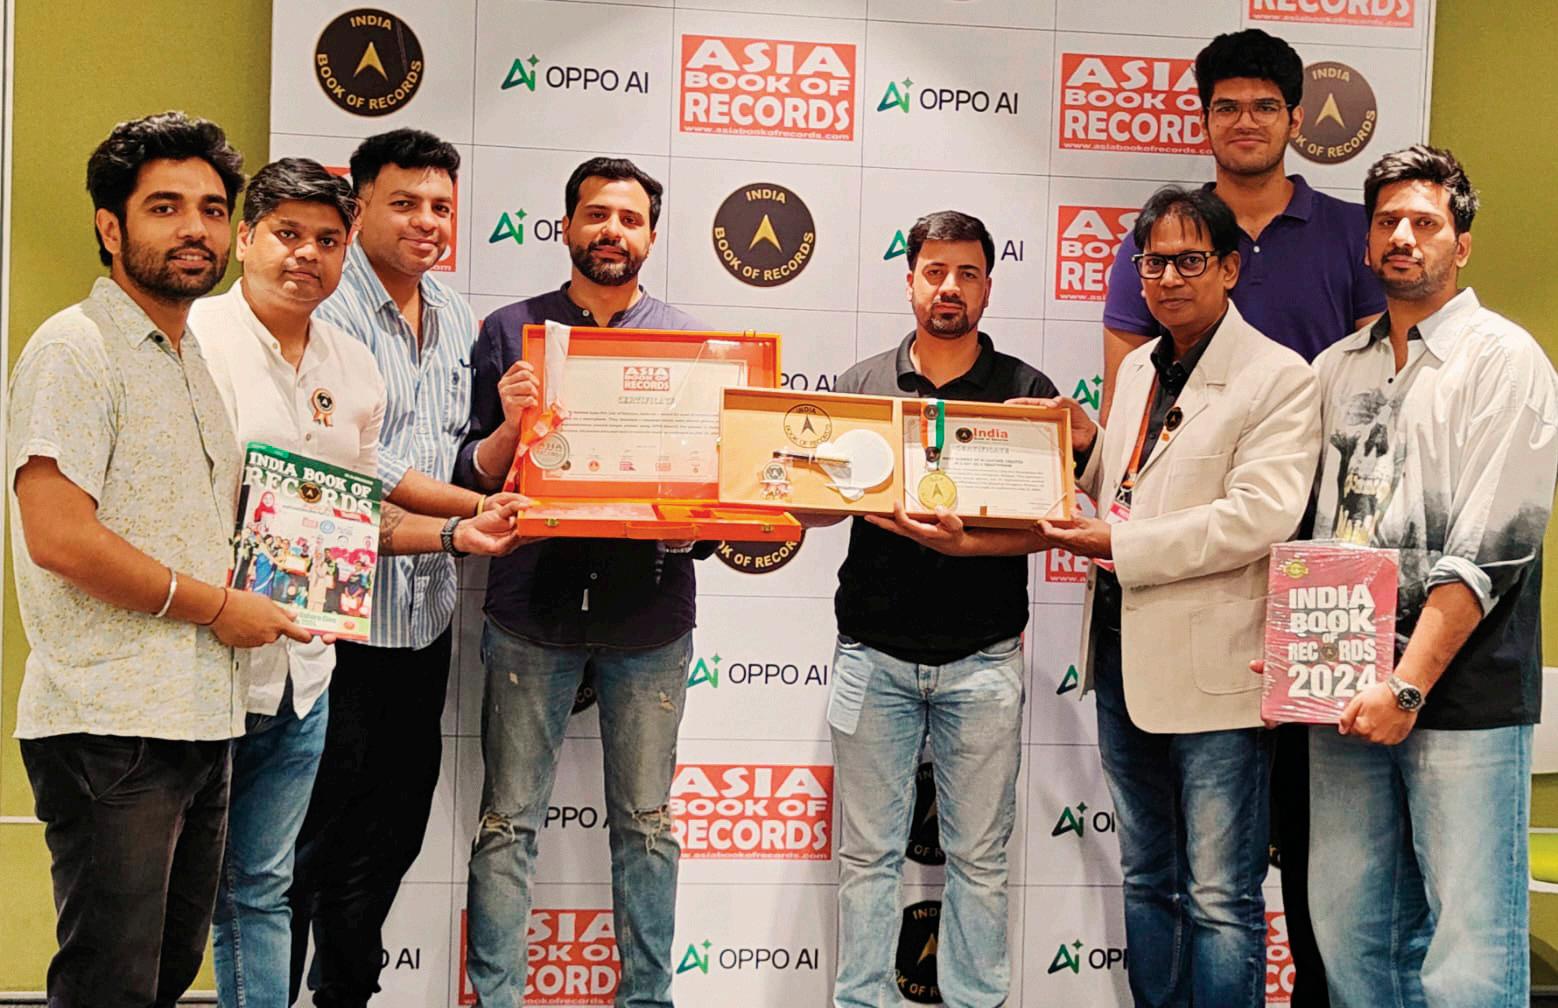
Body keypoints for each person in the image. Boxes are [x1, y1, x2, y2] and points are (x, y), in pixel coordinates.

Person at [881, 190, 1320, 1006]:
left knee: (1220, 897)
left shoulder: (1280, 377)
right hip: (1122, 662)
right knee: (1147, 875)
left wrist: (1117, 545)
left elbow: (1259, 517)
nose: (1169, 279)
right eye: (1154, 262)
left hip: (1216, 679)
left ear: (1230, 268)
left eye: (1190, 261)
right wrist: (1084, 443)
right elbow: (1126, 487)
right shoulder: (1143, 367)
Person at [190, 157, 528, 1008]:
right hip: (224, 642)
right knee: (244, 881)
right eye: (288, 235)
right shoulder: (201, 339)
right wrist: (463, 516)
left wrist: (464, 521)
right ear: (245, 239)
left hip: (348, 643)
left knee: (361, 848)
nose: (307, 255)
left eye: (442, 205)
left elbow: (359, 496)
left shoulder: (384, 348)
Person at [1099, 32, 1384, 1001]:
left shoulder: (1345, 240)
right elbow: (1127, 454)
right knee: (1158, 872)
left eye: (1265, 104)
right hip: (1151, 607)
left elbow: (1366, 410)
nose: (1170, 278)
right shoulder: (1147, 338)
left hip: (1311, 600)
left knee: (1293, 858)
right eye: (1227, 104)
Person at [7, 111, 309, 1008]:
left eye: (212, 210)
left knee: (168, 973)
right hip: (110, 725)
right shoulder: (75, 348)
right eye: (165, 207)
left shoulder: (187, 355)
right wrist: (218, 608)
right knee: (112, 983)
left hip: (201, 716)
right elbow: (58, 536)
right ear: (111, 226)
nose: (195, 230)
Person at [1301, 146, 1558, 1008]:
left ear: (1463, 243)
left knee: (1469, 955)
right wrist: (1299, 653)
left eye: (1425, 221)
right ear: (1368, 243)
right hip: (1344, 693)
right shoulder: (1337, 368)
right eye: (1387, 222)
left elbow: (1491, 544)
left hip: (1462, 700)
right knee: (1350, 936)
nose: (1403, 237)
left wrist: (1406, 686)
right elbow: (1308, 532)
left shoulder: (1506, 360)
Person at [452, 156, 709, 1008]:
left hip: (650, 616)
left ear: (651, 237)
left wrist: (694, 523)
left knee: (647, 826)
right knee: (507, 824)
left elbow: (710, 493)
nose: (612, 232)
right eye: (596, 215)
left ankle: (648, 1000)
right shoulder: (510, 332)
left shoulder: (690, 345)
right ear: (566, 226)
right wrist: (511, 422)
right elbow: (468, 473)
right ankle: (496, 998)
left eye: (630, 219)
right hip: (532, 610)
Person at [287, 129, 524, 1008]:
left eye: (442, 207)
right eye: (405, 203)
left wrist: (504, 447)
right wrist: (469, 515)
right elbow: (359, 460)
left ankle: (345, 995)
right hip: (333, 619)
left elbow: (457, 453)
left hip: (423, 620)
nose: (427, 222)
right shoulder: (325, 308)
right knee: (305, 846)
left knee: (390, 834)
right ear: (358, 209)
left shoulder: (457, 317)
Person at [813, 210, 1057, 1008]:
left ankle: (976, 1001)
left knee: (980, 860)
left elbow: (1047, 527)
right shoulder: (861, 385)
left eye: (968, 273)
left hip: (984, 659)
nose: (950, 287)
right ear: (910, 279)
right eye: (935, 271)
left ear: (988, 285)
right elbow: (808, 510)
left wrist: (966, 546)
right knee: (866, 858)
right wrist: (825, 489)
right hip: (871, 654)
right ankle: (861, 1001)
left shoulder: (1027, 392)